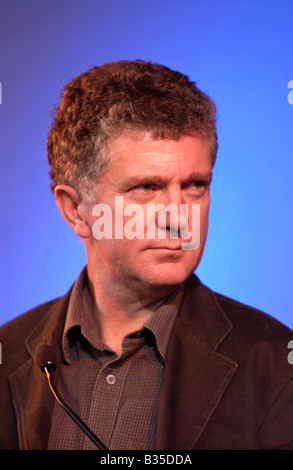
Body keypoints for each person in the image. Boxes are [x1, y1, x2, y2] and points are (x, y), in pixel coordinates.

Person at [0, 60, 293, 451]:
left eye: (195, 185)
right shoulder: (8, 353)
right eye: (146, 187)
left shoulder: (274, 366)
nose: (178, 217)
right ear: (76, 210)